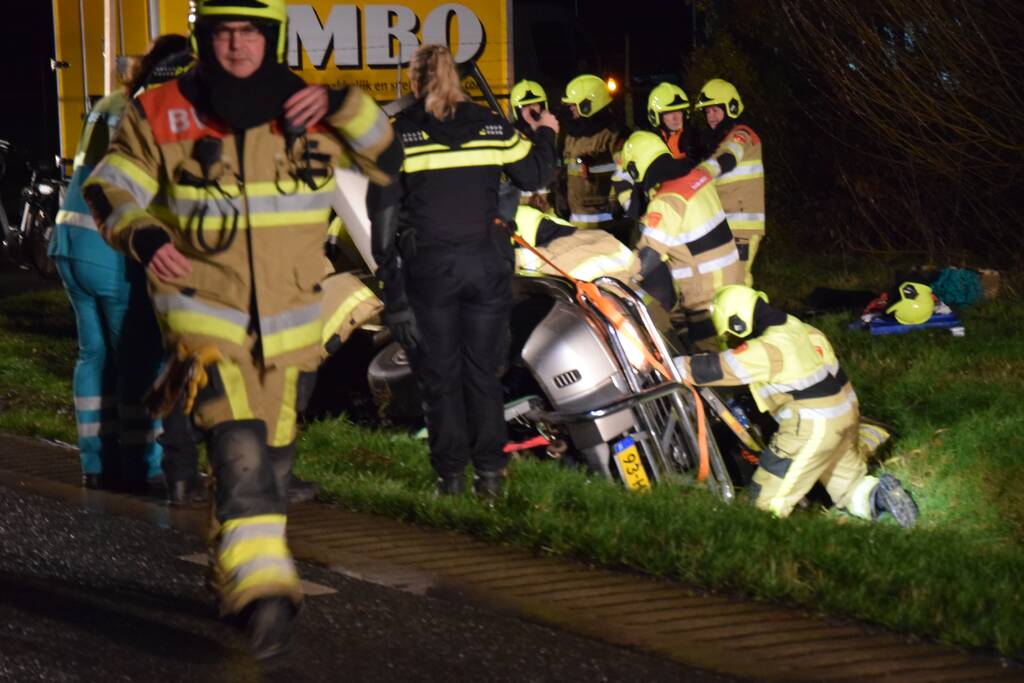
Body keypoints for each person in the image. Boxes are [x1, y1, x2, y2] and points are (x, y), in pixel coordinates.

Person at [83, 0, 401, 659]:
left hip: (289, 331)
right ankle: (266, 593)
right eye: (223, 31)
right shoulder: (161, 110)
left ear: (272, 37)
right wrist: (141, 232)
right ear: (205, 36)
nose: (236, 45)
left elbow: (386, 156)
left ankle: (232, 569)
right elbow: (112, 183)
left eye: (250, 31)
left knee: (268, 470)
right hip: (204, 319)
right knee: (241, 453)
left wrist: (343, 105)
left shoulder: (306, 105)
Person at [369, 44, 558, 499]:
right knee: (482, 375)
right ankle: (490, 476)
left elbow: (382, 230)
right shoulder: (492, 127)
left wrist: (393, 298)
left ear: (414, 82)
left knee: (440, 377)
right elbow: (535, 176)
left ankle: (450, 479)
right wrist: (547, 133)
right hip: (485, 269)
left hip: (430, 272)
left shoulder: (399, 136)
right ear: (456, 78)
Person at [49, 34, 190, 492]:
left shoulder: (111, 100)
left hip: (69, 238)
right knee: (138, 358)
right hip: (108, 247)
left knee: (93, 356)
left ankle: (95, 463)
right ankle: (141, 467)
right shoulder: (151, 108)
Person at [673, 284, 919, 527]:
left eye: (731, 333)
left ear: (739, 323)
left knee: (767, 497)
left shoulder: (768, 348)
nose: (731, 340)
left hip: (813, 429)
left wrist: (668, 363)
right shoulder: (800, 329)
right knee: (849, 487)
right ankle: (879, 497)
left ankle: (768, 546)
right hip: (846, 414)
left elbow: (717, 368)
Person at [621, 131, 744, 351]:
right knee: (738, 342)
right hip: (732, 278)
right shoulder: (698, 177)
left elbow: (647, 259)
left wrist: (616, 275)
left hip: (705, 296)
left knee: (711, 355)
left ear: (634, 168)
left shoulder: (666, 201)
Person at [693, 78, 765, 286]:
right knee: (728, 282)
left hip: (743, 225)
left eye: (715, 110)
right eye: (707, 112)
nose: (711, 117)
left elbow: (729, 157)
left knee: (739, 282)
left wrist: (699, 174)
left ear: (731, 108)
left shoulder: (742, 134)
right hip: (728, 223)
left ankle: (753, 316)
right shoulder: (719, 141)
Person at [559, 74, 623, 234]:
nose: (571, 108)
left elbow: (623, 171)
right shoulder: (571, 134)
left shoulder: (612, 134)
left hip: (604, 221)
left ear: (589, 104)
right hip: (576, 219)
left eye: (575, 104)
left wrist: (615, 201)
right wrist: (560, 194)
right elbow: (565, 170)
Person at [647, 82, 692, 160]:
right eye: (669, 113)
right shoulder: (648, 144)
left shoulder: (696, 139)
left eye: (678, 111)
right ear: (655, 116)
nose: (675, 117)